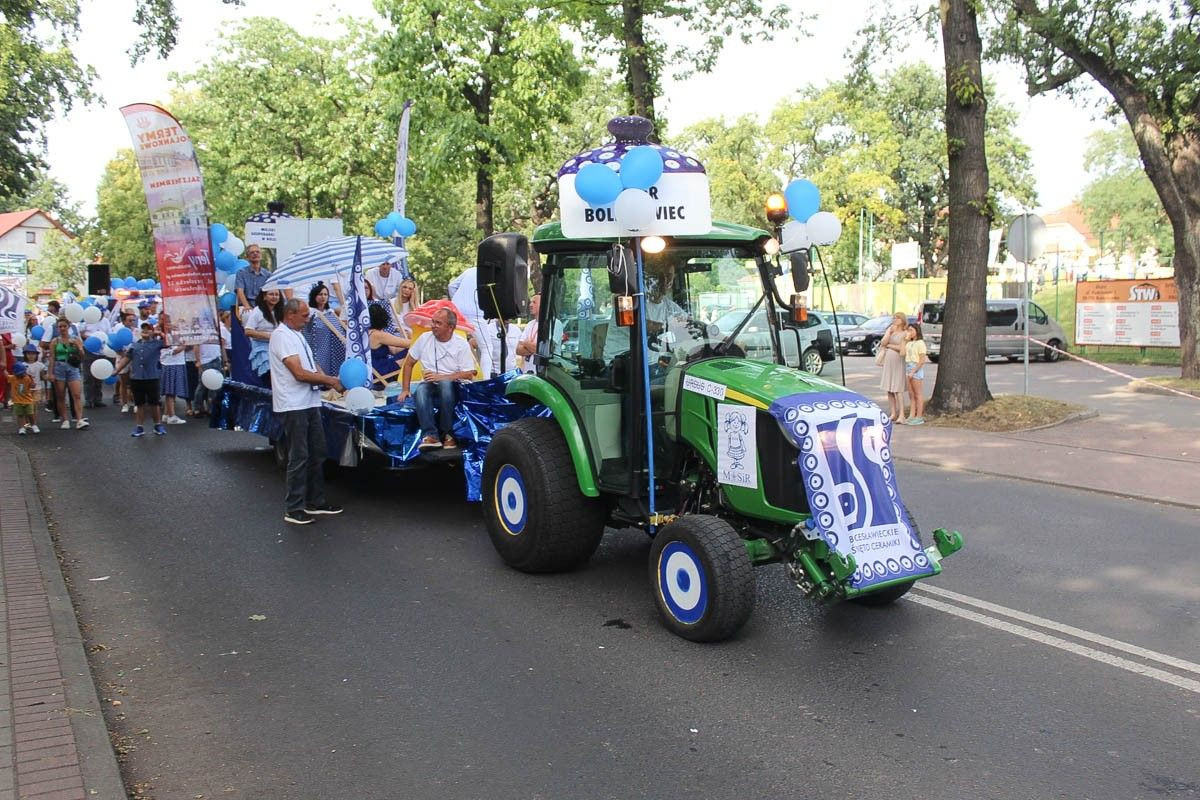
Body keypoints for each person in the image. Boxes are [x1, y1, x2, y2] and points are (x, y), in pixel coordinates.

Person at [269, 298, 343, 525]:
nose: (307, 318)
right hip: (293, 404)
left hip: (309, 401)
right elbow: (299, 373)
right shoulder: (282, 336)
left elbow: (311, 366)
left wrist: (328, 379)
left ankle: (315, 501)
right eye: (303, 315)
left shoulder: (297, 334)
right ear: (289, 314)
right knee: (299, 456)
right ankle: (294, 507)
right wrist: (329, 380)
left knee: (317, 451)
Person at [398, 308, 476, 451]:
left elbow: (469, 374)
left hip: (454, 385)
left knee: (445, 385)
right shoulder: (424, 338)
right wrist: (405, 389)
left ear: (450, 327)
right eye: (433, 322)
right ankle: (431, 435)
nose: (433, 325)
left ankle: (448, 434)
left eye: (438, 323)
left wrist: (442, 377)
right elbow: (408, 363)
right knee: (421, 390)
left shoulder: (461, 343)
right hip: (430, 383)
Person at [115, 322, 167, 436]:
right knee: (139, 403)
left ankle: (157, 425)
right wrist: (117, 370)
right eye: (143, 329)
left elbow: (169, 343)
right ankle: (139, 427)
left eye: (148, 329)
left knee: (154, 403)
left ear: (152, 331)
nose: (145, 331)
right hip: (137, 377)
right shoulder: (135, 345)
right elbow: (127, 358)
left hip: (152, 377)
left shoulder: (157, 343)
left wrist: (161, 334)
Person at [51, 318, 88, 430]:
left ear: (69, 327)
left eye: (64, 326)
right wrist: (50, 373)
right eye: (60, 327)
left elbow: (82, 356)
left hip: (72, 367)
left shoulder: (75, 339)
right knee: (61, 395)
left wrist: (78, 346)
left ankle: (79, 419)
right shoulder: (55, 341)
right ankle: (65, 419)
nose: (62, 329)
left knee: (76, 394)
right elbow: (52, 358)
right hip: (59, 367)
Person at [243, 288, 284, 387]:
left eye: (276, 294)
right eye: (271, 294)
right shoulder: (258, 311)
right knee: (269, 376)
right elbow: (248, 331)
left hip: (278, 348)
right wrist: (269, 336)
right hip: (262, 348)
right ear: (264, 296)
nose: (274, 297)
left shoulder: (281, 311)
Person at [304, 282, 346, 376]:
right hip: (316, 346)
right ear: (314, 296)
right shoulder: (310, 312)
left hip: (332, 346)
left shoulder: (331, 312)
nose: (323, 297)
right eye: (320, 294)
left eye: (325, 294)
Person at [367, 304, 410, 388]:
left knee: (410, 351)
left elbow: (394, 350)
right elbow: (408, 343)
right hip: (379, 370)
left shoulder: (369, 333)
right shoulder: (378, 335)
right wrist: (414, 336)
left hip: (373, 369)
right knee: (414, 352)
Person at [878, 312, 910, 424]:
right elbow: (883, 343)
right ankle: (893, 413)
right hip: (889, 361)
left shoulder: (906, 333)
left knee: (898, 389)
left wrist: (890, 346)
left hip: (898, 361)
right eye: (894, 318)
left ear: (902, 320)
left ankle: (901, 414)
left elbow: (902, 348)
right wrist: (888, 333)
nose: (895, 320)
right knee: (889, 388)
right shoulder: (891, 330)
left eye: (897, 318)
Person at [159, 333, 190, 424]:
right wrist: (183, 347)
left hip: (176, 363)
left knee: (172, 391)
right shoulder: (166, 335)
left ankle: (166, 414)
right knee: (170, 391)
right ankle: (172, 416)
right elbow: (172, 351)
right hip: (171, 364)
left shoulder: (177, 334)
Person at [234, 244, 271, 310]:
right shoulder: (241, 273)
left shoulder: (267, 274)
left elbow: (269, 293)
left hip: (263, 307)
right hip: (246, 306)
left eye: (257, 252)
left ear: (261, 256)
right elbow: (240, 291)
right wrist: (247, 306)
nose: (255, 254)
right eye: (252, 252)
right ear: (247, 257)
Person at [905, 323, 928, 425]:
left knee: (918, 394)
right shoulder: (909, 343)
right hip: (908, 366)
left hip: (915, 367)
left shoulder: (920, 343)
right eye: (908, 330)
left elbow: (922, 360)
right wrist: (905, 339)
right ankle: (912, 415)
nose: (910, 332)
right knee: (911, 394)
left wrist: (914, 370)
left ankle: (919, 416)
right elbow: (902, 352)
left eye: (911, 330)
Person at [9, 362, 38, 434]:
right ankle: (22, 427)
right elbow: (6, 375)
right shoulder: (13, 378)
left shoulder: (27, 378)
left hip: (27, 400)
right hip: (17, 401)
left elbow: (32, 386)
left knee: (30, 414)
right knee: (20, 415)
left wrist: (32, 382)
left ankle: (33, 425)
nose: (21, 375)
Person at [516, 293, 541, 373]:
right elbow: (518, 350)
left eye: (534, 302)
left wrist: (525, 343)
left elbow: (542, 350)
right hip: (527, 373)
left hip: (541, 375)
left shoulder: (554, 324)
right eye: (530, 302)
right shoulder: (530, 324)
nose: (530, 305)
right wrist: (533, 346)